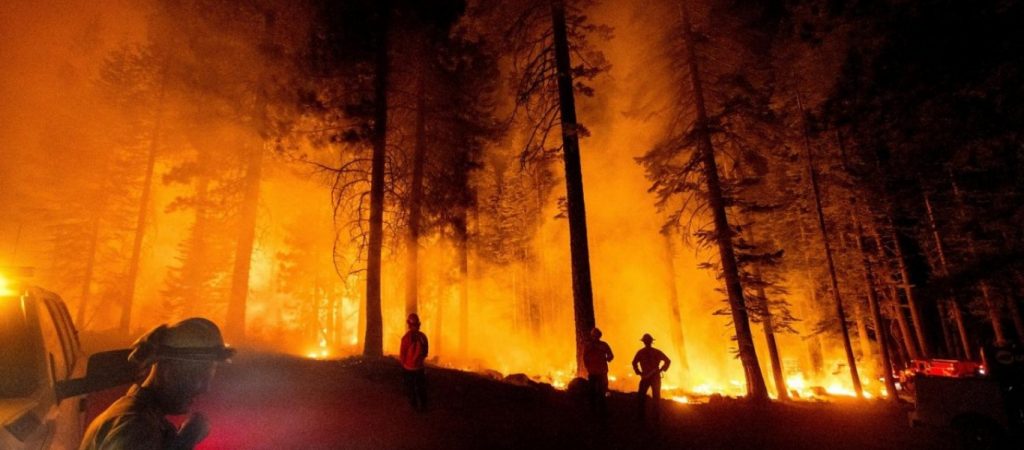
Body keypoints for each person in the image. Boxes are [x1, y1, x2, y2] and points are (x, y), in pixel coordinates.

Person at [80, 317, 235, 450]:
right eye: (199, 378)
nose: (205, 389)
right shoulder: (136, 427)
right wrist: (182, 444)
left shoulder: (139, 418)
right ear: (168, 370)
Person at [632, 333, 671, 421]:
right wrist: (661, 370)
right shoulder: (657, 352)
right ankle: (655, 418)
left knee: (641, 397)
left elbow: (634, 363)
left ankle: (641, 417)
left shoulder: (641, 352)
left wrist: (639, 372)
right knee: (656, 398)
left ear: (644, 342)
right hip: (655, 377)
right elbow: (668, 361)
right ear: (651, 342)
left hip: (645, 377)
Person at [399, 313, 429, 411]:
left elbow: (402, 354)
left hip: (408, 368)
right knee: (421, 387)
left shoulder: (406, 338)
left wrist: (404, 364)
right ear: (418, 324)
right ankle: (424, 406)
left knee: (410, 387)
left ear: (409, 324)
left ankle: (414, 406)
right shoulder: (423, 337)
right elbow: (425, 352)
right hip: (419, 368)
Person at [582, 327, 614, 419]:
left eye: (596, 335)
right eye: (594, 335)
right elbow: (585, 358)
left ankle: (603, 410)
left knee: (603, 391)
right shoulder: (589, 346)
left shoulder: (603, 345)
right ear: (592, 336)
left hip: (601, 372)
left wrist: (608, 359)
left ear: (599, 336)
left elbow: (611, 356)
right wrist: (588, 367)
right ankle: (593, 411)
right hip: (594, 372)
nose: (595, 337)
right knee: (592, 392)